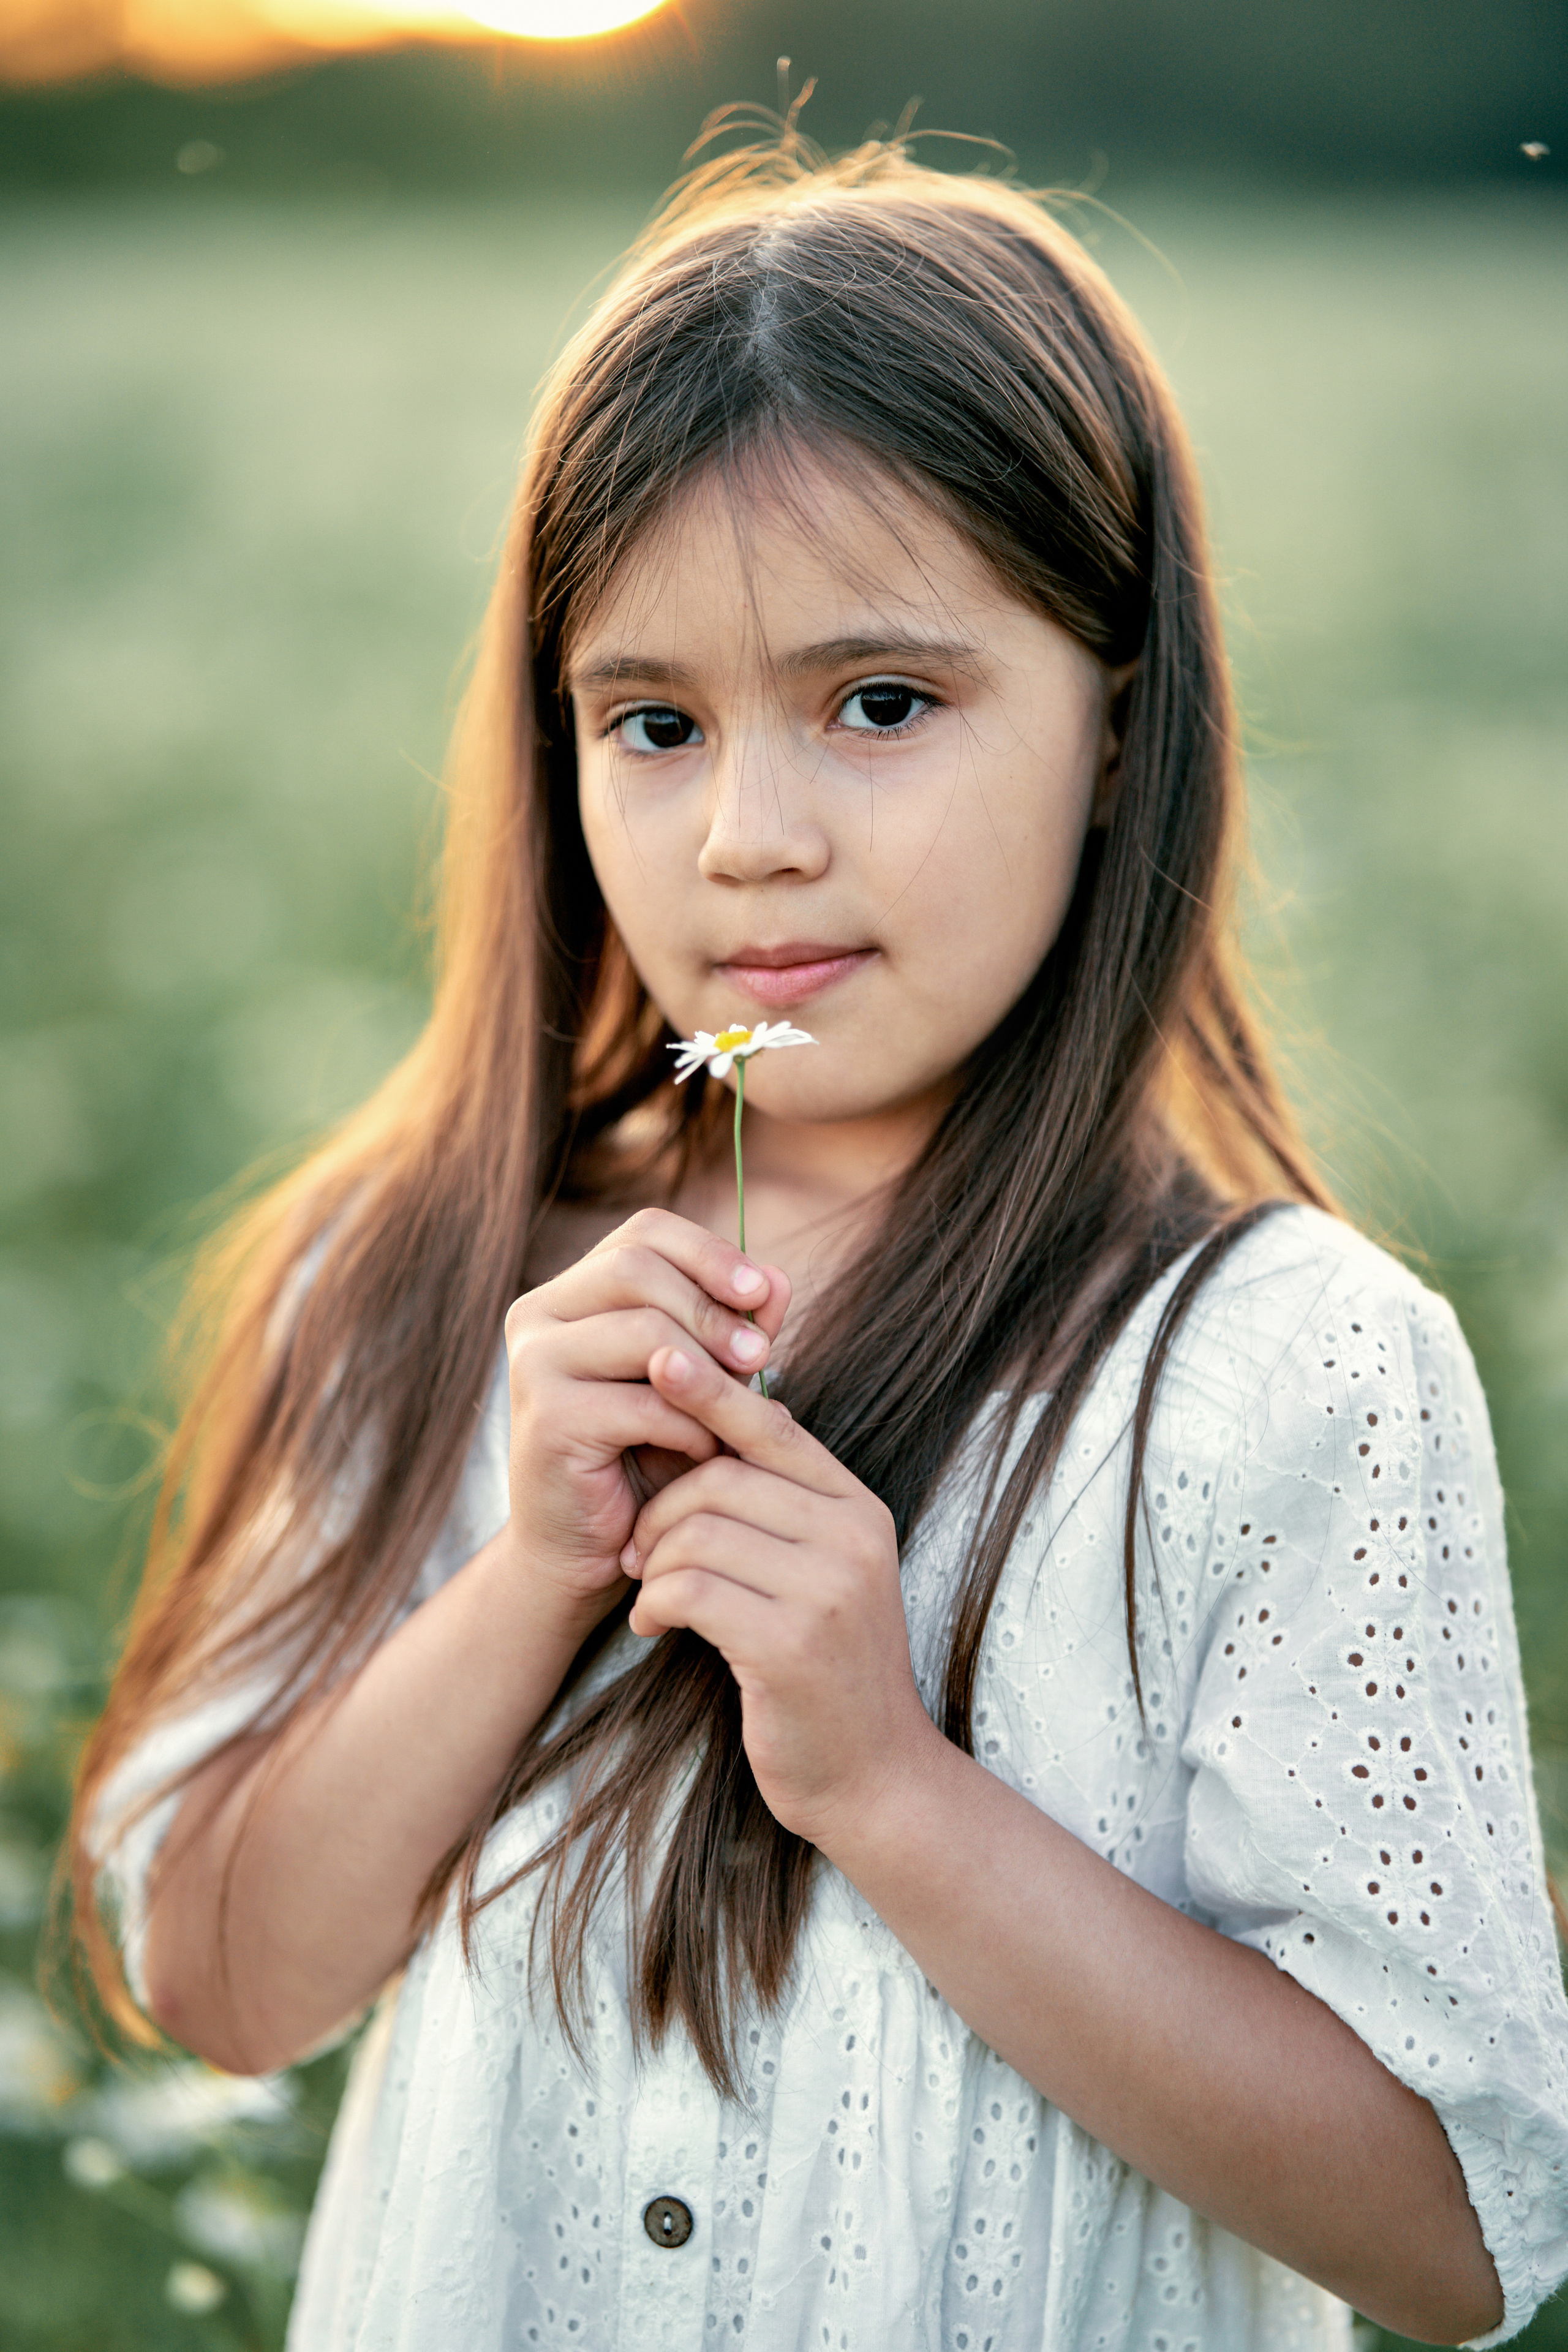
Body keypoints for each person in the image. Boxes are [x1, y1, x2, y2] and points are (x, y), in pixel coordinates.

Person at [69, 135, 1568, 2351]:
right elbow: (218, 1986)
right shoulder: (413, 1277)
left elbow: (1455, 2233)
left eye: (883, 704)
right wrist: (528, 1576)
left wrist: (889, 1786)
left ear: (1117, 720)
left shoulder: (1284, 1373)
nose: (753, 842)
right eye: (653, 725)